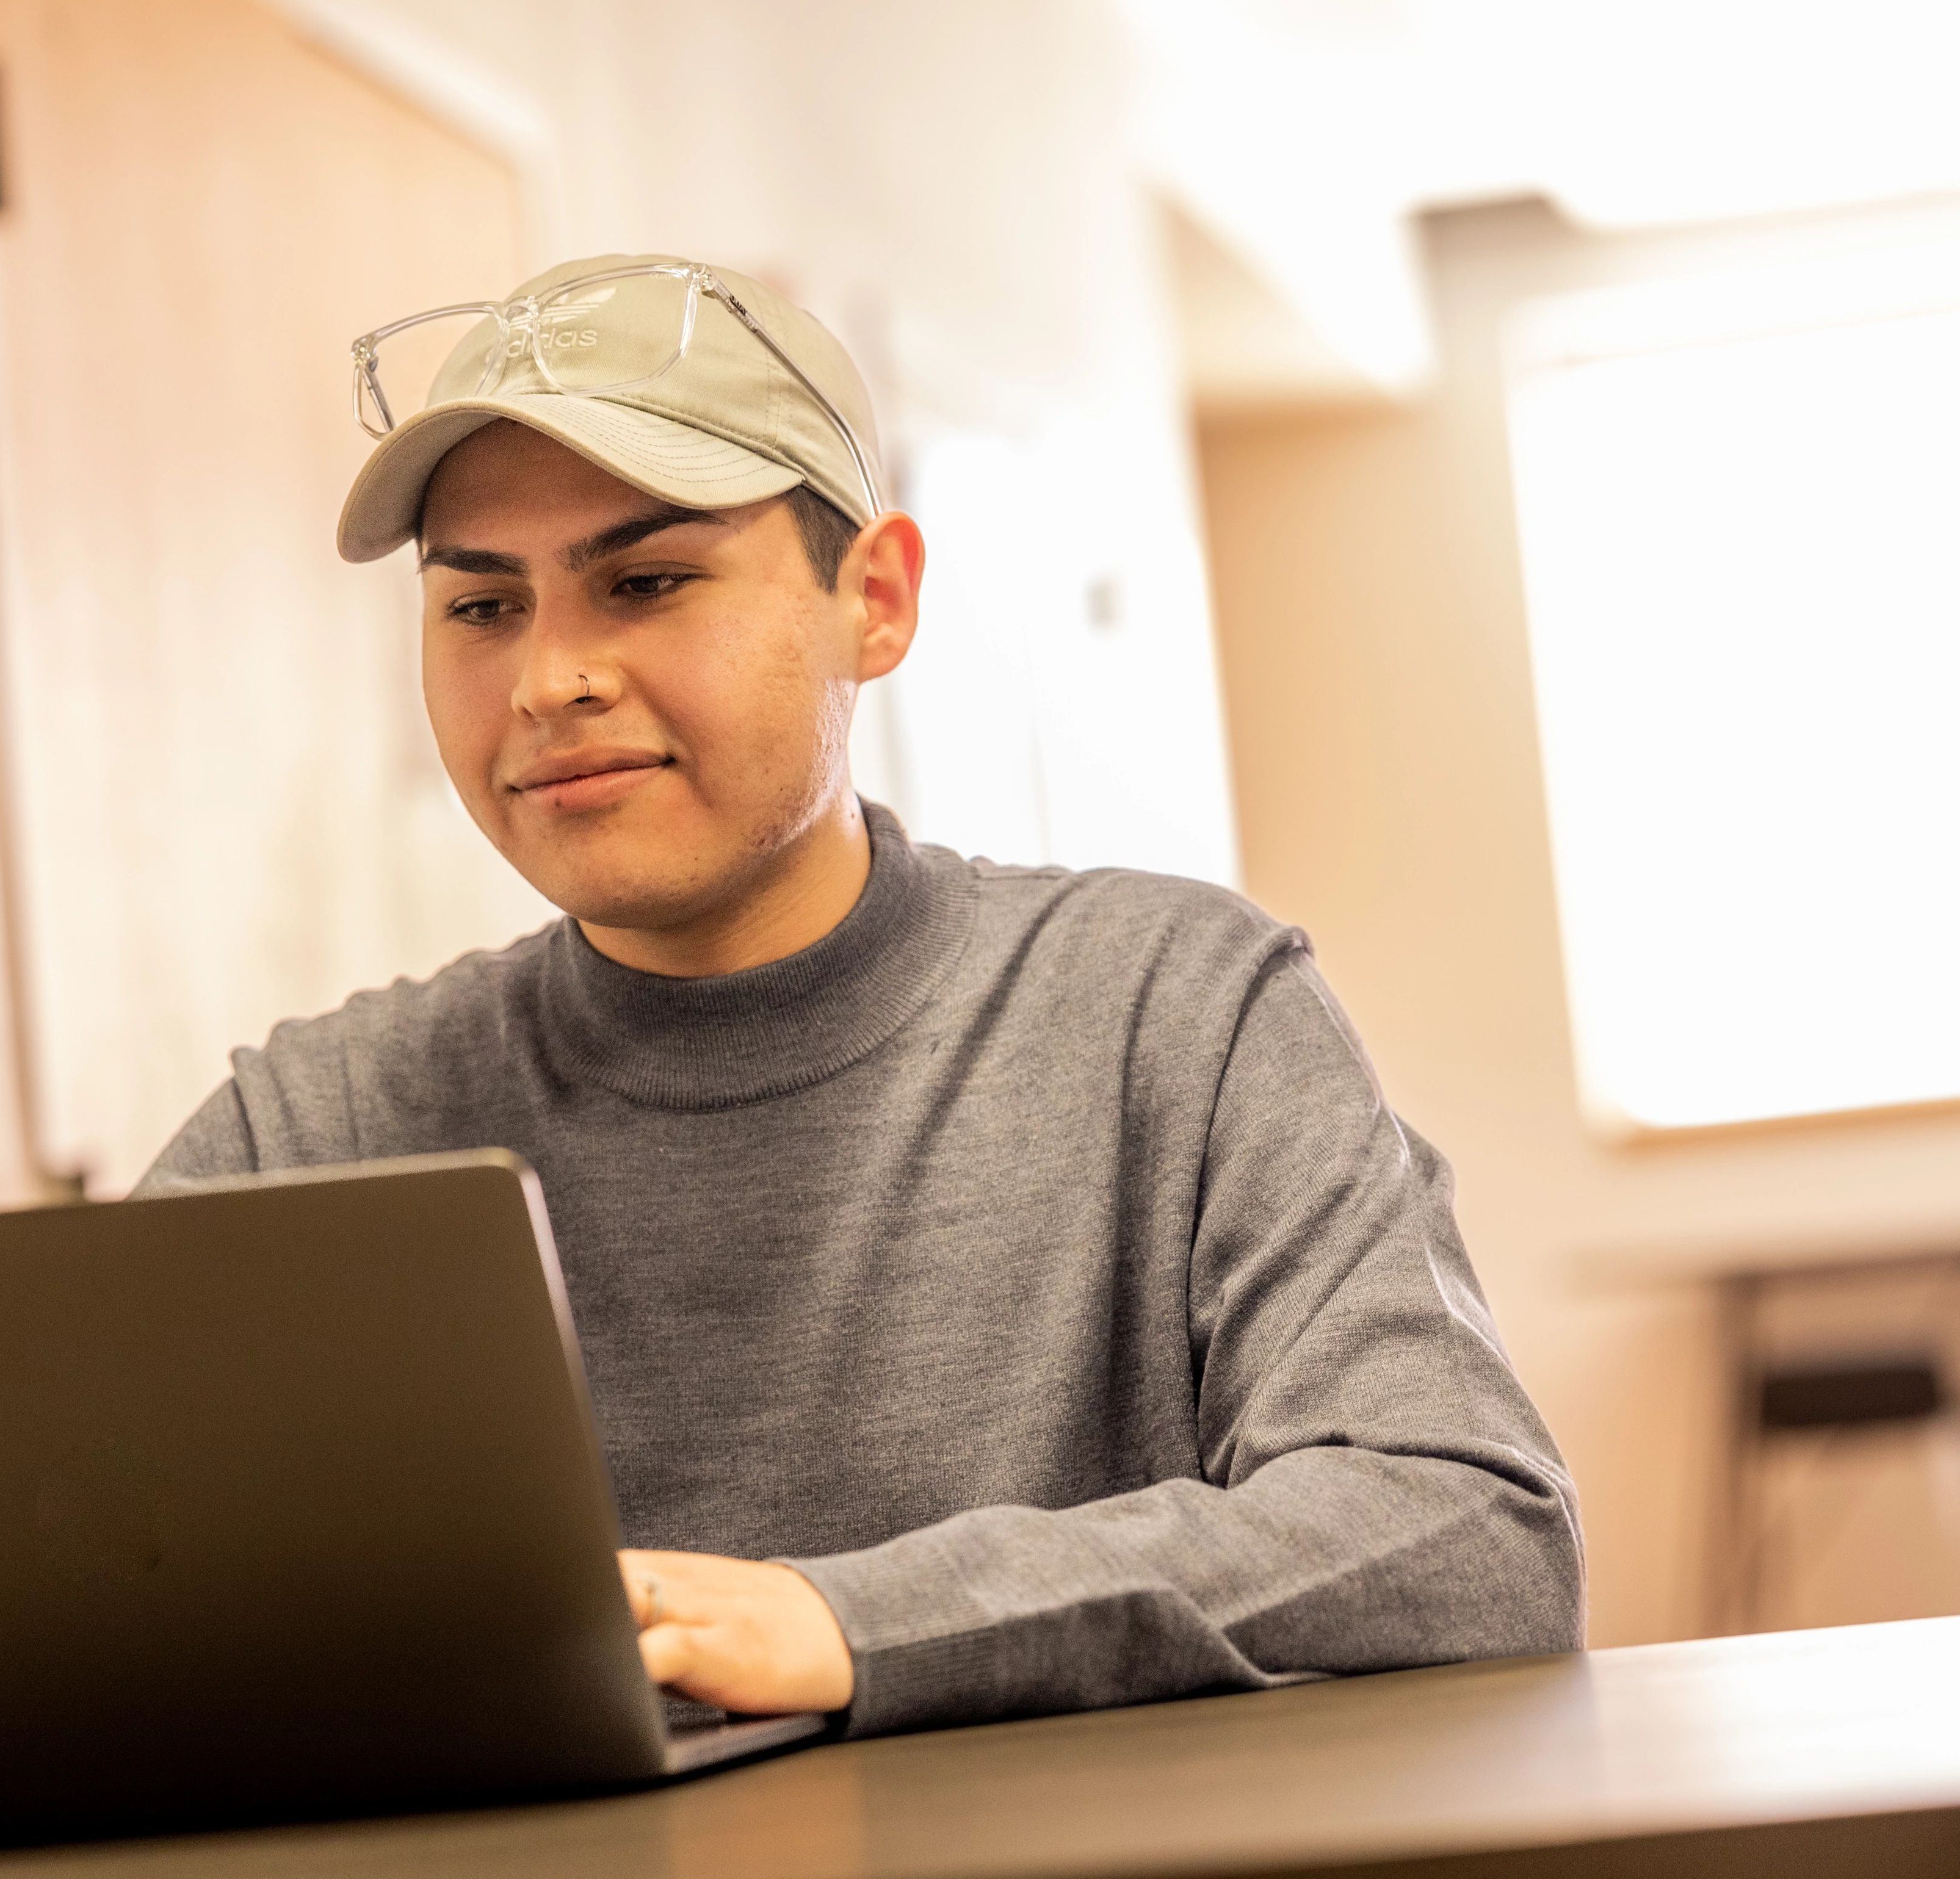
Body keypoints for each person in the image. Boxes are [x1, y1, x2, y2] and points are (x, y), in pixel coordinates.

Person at [136, 254, 1583, 1736]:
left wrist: (854, 1620)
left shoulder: (1176, 1012)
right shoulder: (315, 1126)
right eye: (481, 607)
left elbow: (1463, 1526)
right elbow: (42, 1597)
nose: (547, 681)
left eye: (644, 582)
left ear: (874, 600)